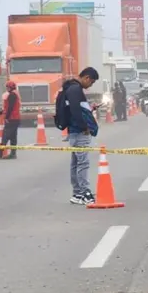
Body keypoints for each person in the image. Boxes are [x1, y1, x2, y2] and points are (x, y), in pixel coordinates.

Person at [56, 67, 101, 204]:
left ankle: (77, 193)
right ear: (86, 78)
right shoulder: (75, 89)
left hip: (74, 130)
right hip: (79, 131)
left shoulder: (70, 88)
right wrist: (84, 127)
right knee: (83, 163)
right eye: (91, 82)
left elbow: (76, 108)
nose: (90, 85)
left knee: (76, 163)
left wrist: (90, 109)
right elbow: (75, 110)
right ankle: (85, 193)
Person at [0, 81, 21, 159]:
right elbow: (8, 107)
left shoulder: (12, 95)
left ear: (11, 87)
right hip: (15, 119)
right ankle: (13, 154)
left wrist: (6, 117)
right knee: (13, 137)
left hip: (11, 119)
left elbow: (10, 108)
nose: (7, 88)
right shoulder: (15, 94)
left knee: (5, 136)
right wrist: (1, 113)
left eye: (8, 87)